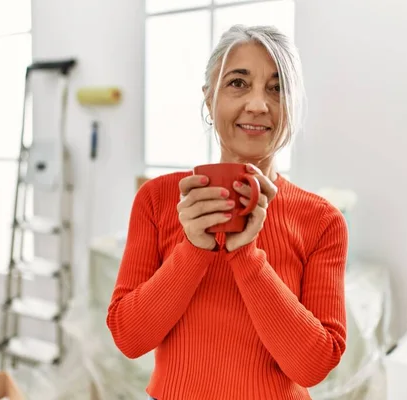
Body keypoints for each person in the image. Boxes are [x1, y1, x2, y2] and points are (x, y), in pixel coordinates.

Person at [107, 24, 348, 400]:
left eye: (277, 87)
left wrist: (246, 256)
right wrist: (193, 249)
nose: (257, 104)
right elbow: (130, 337)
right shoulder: (157, 199)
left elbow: (313, 366)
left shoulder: (321, 221)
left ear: (292, 105)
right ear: (209, 98)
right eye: (238, 83)